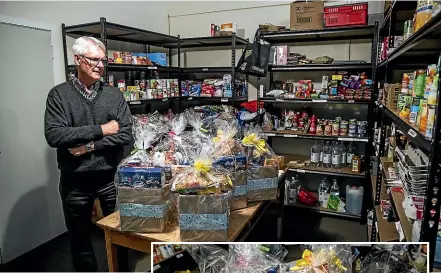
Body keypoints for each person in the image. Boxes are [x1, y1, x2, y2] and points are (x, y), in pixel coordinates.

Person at [44, 36, 133, 271]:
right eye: (94, 60)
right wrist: (102, 130)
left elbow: (126, 135)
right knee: (80, 241)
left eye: (103, 60)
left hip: (110, 178)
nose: (100, 66)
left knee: (120, 235)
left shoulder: (113, 95)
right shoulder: (59, 95)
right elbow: (55, 136)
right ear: (78, 59)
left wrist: (90, 146)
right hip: (75, 181)